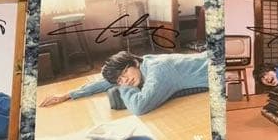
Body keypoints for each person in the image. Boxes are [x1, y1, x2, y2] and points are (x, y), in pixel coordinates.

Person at [40, 49, 208, 116]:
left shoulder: (158, 70)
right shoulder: (142, 63)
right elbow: (105, 82)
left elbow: (139, 107)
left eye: (124, 73)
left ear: (134, 63)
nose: (125, 80)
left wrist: (124, 88)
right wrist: (68, 94)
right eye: (120, 80)